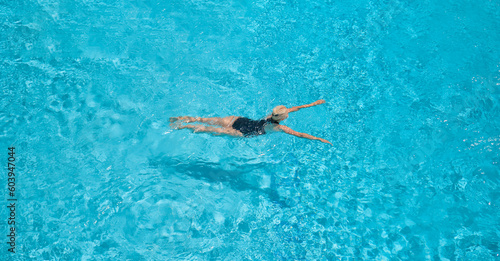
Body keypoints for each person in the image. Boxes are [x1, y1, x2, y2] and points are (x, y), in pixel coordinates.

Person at [170, 99, 332, 145]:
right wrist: (318, 139)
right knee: (205, 129)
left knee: (204, 120)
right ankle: (183, 127)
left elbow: (294, 108)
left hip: (238, 120)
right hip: (242, 132)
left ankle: (182, 119)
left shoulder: (273, 114)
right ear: (283, 117)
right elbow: (300, 134)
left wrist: (312, 104)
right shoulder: (278, 127)